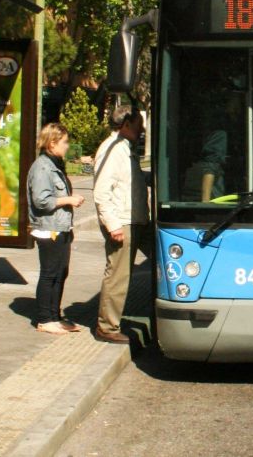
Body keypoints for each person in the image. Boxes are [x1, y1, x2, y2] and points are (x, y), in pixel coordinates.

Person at [93, 106, 149, 344]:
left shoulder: (125, 148)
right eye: (138, 123)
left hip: (136, 221)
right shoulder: (112, 149)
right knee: (118, 274)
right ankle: (107, 326)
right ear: (126, 124)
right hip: (122, 223)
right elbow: (101, 192)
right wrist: (113, 225)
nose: (142, 127)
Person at [27, 123, 85, 335]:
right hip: (48, 228)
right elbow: (41, 200)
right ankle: (45, 319)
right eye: (65, 142)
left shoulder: (54, 164)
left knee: (60, 272)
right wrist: (69, 199)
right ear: (52, 143)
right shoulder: (42, 167)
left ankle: (55, 316)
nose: (68, 146)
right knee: (50, 273)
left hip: (60, 227)